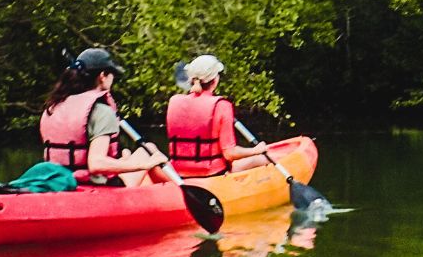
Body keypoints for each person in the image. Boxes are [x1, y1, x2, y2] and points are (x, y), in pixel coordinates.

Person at [40, 48, 169, 187]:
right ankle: (176, 191)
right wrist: (145, 164)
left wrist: (125, 162)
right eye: (112, 74)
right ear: (103, 75)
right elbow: (96, 164)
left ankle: (168, 190)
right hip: (99, 184)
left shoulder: (55, 106)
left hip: (61, 180)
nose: (113, 79)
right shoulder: (101, 111)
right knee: (148, 150)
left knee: (127, 153)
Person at [164, 55, 269, 178]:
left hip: (178, 174)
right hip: (212, 174)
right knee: (262, 159)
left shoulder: (174, 101)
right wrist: (255, 151)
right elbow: (229, 153)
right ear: (215, 80)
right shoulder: (222, 106)